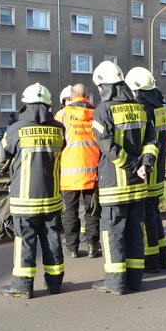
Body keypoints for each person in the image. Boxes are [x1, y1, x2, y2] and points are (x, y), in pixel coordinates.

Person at [91, 61, 158, 295]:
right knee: (134, 233)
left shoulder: (103, 110)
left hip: (114, 186)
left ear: (104, 86)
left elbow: (108, 147)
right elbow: (152, 140)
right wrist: (145, 164)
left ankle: (115, 282)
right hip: (139, 185)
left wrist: (131, 165)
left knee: (113, 234)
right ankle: (134, 279)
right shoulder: (139, 108)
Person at [0, 83, 66, 299]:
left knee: (25, 240)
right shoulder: (59, 128)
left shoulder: (16, 129)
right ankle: (54, 283)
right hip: (52, 197)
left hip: (24, 199)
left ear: (24, 104)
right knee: (52, 239)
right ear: (48, 105)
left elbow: (3, 156)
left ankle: (22, 286)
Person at [124, 67, 166, 271]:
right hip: (158, 170)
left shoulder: (143, 108)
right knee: (154, 214)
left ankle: (150, 261)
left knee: (146, 217)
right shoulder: (161, 106)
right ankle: (161, 257)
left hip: (146, 170)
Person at [54, 83, 100, 258]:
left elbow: (56, 143)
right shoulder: (97, 114)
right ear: (87, 96)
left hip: (68, 174)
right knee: (92, 211)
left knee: (70, 212)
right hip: (92, 171)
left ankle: (72, 248)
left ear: (71, 97)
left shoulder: (62, 115)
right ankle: (92, 246)